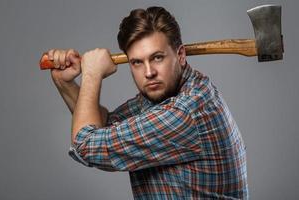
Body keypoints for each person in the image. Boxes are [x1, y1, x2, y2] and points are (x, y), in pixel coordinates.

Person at [47, 6, 248, 199]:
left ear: (180, 55)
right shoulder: (167, 93)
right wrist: (65, 83)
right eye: (137, 62)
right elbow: (104, 126)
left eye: (157, 58)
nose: (149, 72)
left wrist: (91, 74)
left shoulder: (188, 110)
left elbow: (86, 145)